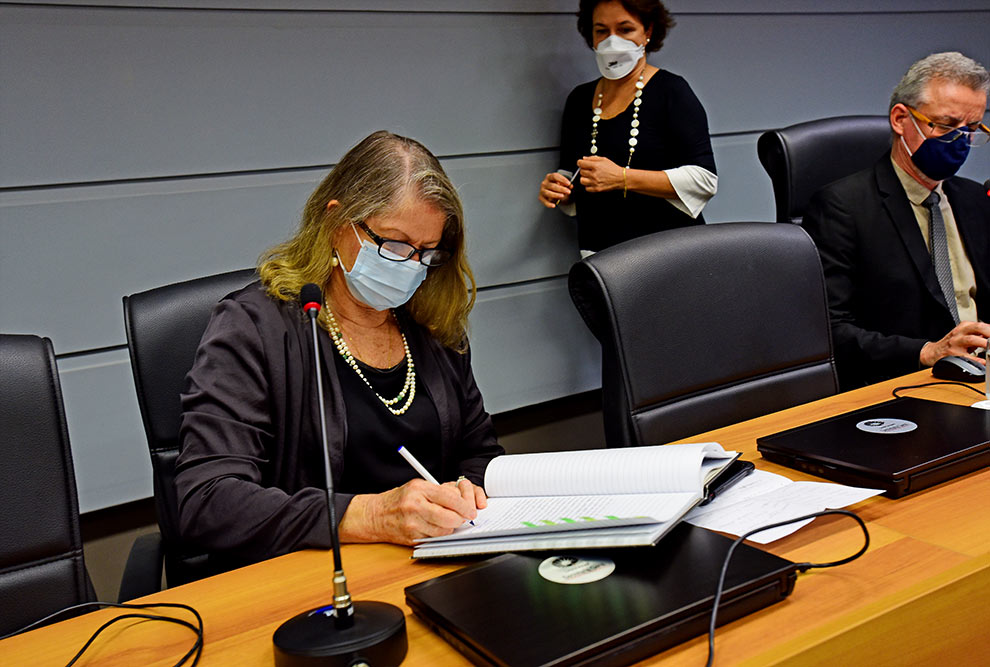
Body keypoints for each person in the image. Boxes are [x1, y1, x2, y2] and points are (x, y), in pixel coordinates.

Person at [175, 131, 504, 566]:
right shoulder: (256, 328)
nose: (410, 268)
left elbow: (479, 451)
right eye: (394, 244)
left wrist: (469, 490)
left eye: (426, 253)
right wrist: (368, 516)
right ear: (337, 222)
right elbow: (208, 500)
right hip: (311, 577)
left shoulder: (431, 325)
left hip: (431, 561)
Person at [803, 52, 990, 390]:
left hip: (980, 380)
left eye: (972, 129)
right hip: (902, 385)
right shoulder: (842, 208)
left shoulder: (976, 199)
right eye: (946, 126)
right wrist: (928, 351)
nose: (960, 141)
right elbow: (830, 330)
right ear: (901, 119)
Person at [537, 0, 717, 254]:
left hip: (669, 254)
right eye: (602, 31)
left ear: (648, 31)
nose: (612, 42)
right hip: (599, 255)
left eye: (625, 29)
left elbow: (704, 180)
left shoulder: (671, 91)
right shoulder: (579, 99)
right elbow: (572, 172)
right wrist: (561, 190)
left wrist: (622, 178)